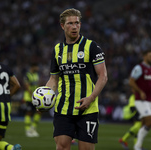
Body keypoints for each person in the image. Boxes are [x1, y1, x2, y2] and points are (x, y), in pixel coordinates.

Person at [46, 8, 108, 150]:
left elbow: (103, 76)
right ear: (62, 26)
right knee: (61, 147)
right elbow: (53, 79)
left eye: (77, 23)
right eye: (70, 23)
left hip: (87, 110)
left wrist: (90, 98)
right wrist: (45, 98)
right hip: (63, 108)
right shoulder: (57, 50)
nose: (74, 27)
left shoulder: (91, 47)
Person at [129, 50, 151, 150]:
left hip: (149, 100)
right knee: (150, 122)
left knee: (144, 123)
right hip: (140, 100)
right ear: (144, 56)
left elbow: (150, 84)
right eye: (150, 56)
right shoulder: (139, 68)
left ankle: (138, 146)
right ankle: (137, 147)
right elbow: (131, 82)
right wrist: (140, 92)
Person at [23, 62, 41, 137]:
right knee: (29, 113)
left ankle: (33, 128)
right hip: (29, 98)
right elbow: (27, 87)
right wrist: (32, 95)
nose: (38, 68)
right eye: (37, 67)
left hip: (35, 97)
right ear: (33, 67)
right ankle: (27, 130)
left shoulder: (36, 75)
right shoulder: (27, 75)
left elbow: (37, 85)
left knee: (39, 112)